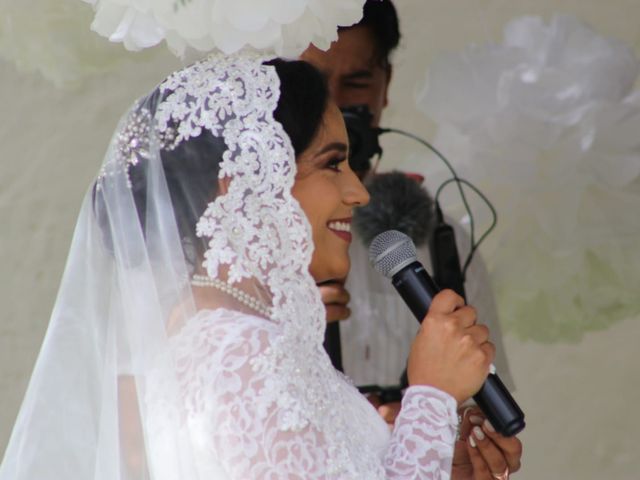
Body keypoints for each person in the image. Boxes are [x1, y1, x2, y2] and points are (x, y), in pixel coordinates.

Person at [0, 55, 496, 479]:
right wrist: (430, 395)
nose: (358, 192)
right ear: (244, 186)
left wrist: (430, 451)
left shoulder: (241, 337)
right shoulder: (239, 353)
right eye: (332, 164)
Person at [301, 1, 521, 478]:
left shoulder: (445, 242)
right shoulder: (239, 255)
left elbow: (486, 405)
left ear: (386, 86)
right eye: (314, 84)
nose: (334, 104)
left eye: (356, 84)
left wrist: (458, 447)